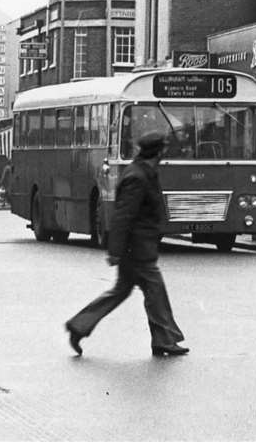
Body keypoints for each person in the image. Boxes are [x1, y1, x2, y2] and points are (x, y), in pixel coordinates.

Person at [65, 133, 188, 358]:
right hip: (137, 250)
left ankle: (79, 325)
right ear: (159, 152)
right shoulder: (138, 177)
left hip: (138, 248)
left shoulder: (143, 172)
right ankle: (164, 340)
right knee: (155, 291)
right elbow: (123, 216)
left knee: (122, 292)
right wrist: (115, 250)